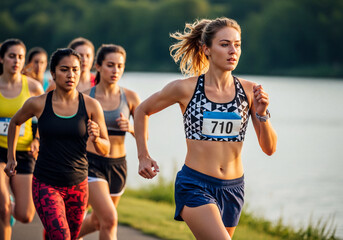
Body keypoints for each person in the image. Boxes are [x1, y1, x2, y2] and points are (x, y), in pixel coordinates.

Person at [134, 17, 277, 240]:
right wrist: (143, 156)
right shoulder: (185, 88)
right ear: (206, 49)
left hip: (233, 188)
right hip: (195, 184)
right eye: (224, 44)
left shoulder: (250, 91)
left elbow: (269, 148)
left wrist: (261, 113)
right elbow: (142, 110)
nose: (233, 51)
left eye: (237, 44)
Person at [4, 48, 110, 240]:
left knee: (69, 236)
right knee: (61, 237)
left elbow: (105, 148)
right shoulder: (38, 103)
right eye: (64, 69)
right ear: (53, 73)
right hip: (46, 183)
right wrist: (11, 158)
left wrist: (97, 138)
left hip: (78, 186)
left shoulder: (91, 105)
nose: (71, 75)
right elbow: (15, 122)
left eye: (75, 70)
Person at [77, 44, 140, 240]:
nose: (115, 71)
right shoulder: (86, 96)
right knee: (110, 219)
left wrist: (130, 128)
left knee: (98, 221)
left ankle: (62, 236)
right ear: (98, 66)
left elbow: (143, 136)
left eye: (120, 66)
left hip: (118, 165)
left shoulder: (130, 97)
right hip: (91, 163)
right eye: (110, 65)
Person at [0, 38, 44, 240]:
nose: (16, 61)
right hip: (0, 151)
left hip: (24, 153)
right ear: (2, 59)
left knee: (25, 215)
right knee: (3, 206)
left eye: (20, 57)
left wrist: (37, 139)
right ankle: (4, 206)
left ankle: (8, 207)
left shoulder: (34, 87)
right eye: (11, 56)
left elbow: (45, 120)